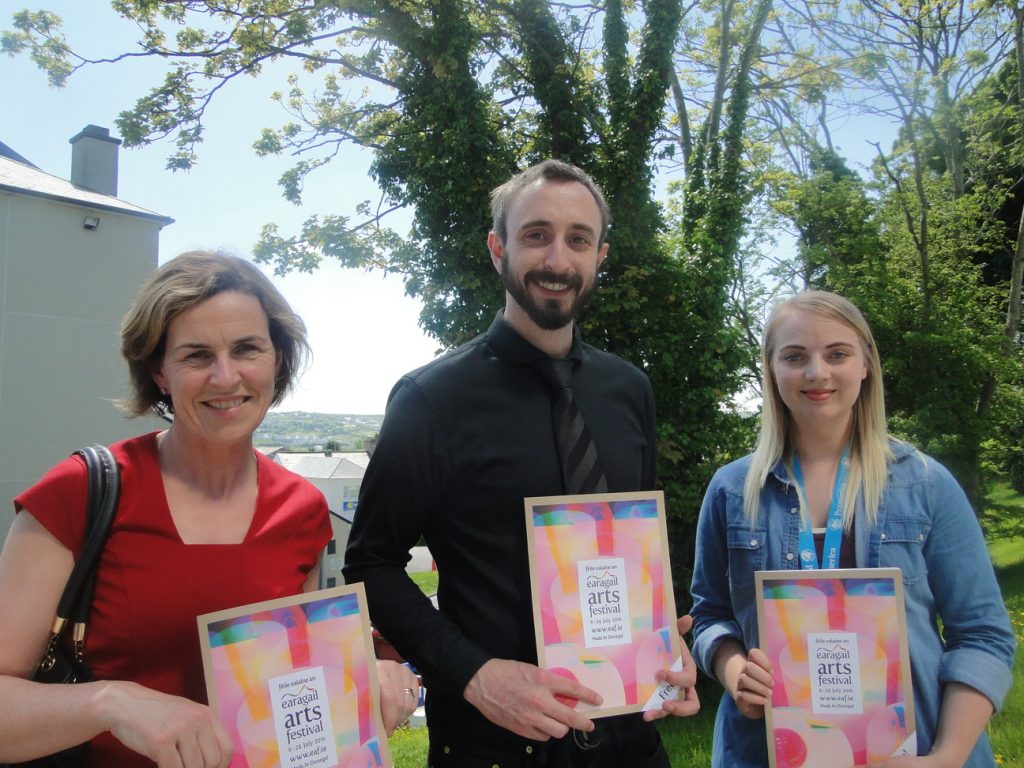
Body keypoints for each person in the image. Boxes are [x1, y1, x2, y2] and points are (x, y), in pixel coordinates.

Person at [343, 159, 700, 767]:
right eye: (536, 235)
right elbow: (370, 564)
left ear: (599, 255)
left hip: (631, 743)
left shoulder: (628, 390)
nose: (558, 260)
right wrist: (474, 674)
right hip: (496, 749)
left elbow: (630, 555)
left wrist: (665, 647)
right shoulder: (432, 400)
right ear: (497, 249)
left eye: (578, 240)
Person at [0, 251, 419, 768]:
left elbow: (292, 681)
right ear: (158, 371)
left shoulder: (302, 510)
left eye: (247, 349)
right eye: (197, 355)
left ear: (278, 360)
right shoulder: (78, 493)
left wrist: (365, 677)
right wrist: (109, 702)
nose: (226, 377)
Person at [689, 290, 1016, 768]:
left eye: (837, 354)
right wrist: (734, 669)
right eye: (795, 356)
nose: (817, 373)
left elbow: (983, 634)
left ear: (866, 364)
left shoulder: (925, 484)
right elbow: (709, 616)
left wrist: (947, 756)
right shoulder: (733, 490)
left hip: (917, 752)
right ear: (772, 369)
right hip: (765, 750)